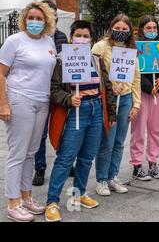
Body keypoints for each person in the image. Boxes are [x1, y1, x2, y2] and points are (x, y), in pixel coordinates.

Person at [44, 20, 116, 222]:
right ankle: (52, 202)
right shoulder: (61, 60)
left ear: (91, 39)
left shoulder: (96, 59)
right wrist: (68, 99)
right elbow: (54, 89)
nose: (82, 39)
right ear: (71, 36)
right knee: (66, 158)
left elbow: (106, 87)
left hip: (96, 110)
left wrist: (110, 113)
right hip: (76, 111)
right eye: (78, 35)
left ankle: (79, 193)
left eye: (86, 36)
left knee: (87, 157)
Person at [0, 1, 57, 222]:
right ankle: (13, 202)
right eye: (31, 18)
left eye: (39, 18)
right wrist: (3, 104)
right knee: (18, 152)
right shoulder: (14, 41)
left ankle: (26, 197)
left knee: (31, 152)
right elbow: (1, 73)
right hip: (19, 99)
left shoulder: (49, 41)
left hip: (42, 101)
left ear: (46, 21)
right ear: (24, 19)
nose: (34, 22)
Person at [93, 14, 141, 196]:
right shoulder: (100, 47)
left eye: (124, 30)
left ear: (130, 32)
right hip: (109, 99)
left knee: (119, 142)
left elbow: (136, 79)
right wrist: (110, 85)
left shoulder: (131, 51)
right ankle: (101, 180)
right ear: (111, 28)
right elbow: (93, 72)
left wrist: (136, 104)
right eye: (117, 28)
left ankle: (113, 176)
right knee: (107, 141)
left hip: (126, 99)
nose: (120, 32)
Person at [32, 0, 69, 186]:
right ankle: (40, 168)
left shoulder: (62, 37)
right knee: (40, 134)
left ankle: (66, 163)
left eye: (51, 13)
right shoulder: (34, 38)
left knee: (62, 128)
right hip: (39, 91)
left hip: (58, 91)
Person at [130, 16, 159, 181]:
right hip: (142, 92)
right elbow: (135, 70)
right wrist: (147, 86)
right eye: (148, 28)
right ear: (142, 30)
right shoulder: (136, 48)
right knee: (138, 129)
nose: (152, 31)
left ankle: (153, 162)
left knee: (156, 129)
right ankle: (137, 164)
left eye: (154, 28)